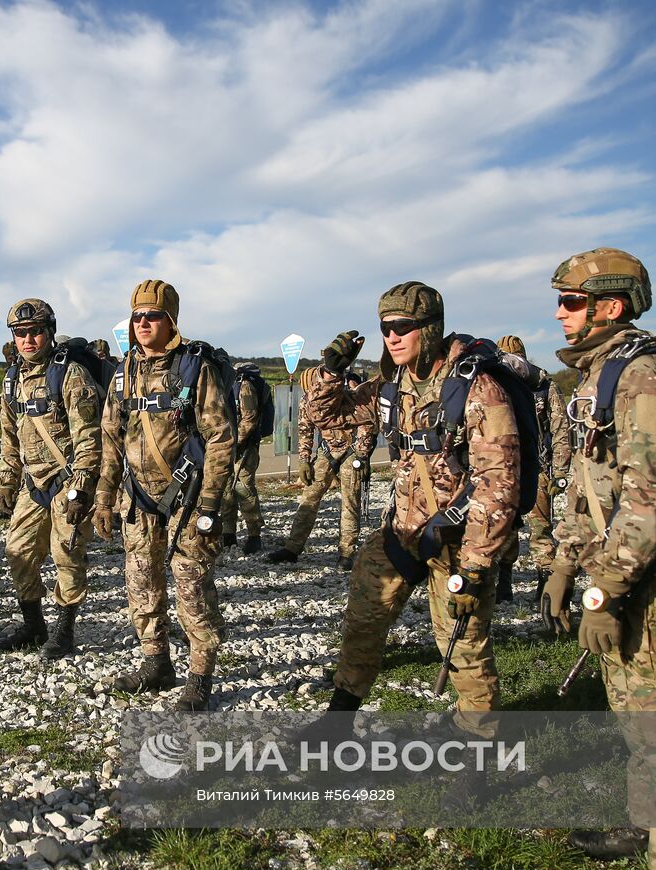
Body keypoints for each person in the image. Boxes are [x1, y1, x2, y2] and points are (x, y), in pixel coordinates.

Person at [542, 247, 656, 870]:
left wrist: (606, 586)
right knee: (636, 716)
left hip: (655, 583)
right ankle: (646, 825)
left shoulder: (644, 377)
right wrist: (562, 562)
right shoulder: (601, 377)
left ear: (609, 306)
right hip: (618, 573)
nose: (560, 311)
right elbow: (589, 488)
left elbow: (653, 492)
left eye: (572, 300)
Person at [321, 284, 519, 750]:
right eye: (385, 328)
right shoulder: (393, 385)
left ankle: (477, 748)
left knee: (464, 647)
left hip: (457, 538)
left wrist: (476, 562)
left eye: (401, 327)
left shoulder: (476, 388)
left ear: (429, 329)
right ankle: (337, 720)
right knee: (363, 622)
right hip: (401, 531)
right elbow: (325, 417)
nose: (391, 336)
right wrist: (332, 371)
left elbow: (499, 482)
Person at [93, 280, 234, 711]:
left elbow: (220, 439)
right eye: (136, 316)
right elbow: (110, 439)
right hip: (138, 500)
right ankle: (156, 661)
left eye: (152, 315)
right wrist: (103, 497)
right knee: (142, 585)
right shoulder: (124, 373)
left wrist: (210, 503)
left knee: (191, 588)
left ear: (170, 319)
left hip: (188, 499)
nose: (142, 323)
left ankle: (200, 674)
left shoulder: (193, 368)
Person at [0, 299, 103, 657]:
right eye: (21, 333)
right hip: (32, 484)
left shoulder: (70, 375)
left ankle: (65, 630)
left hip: (66, 482)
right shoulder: (11, 381)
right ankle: (33, 624)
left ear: (49, 333)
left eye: (35, 332)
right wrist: (7, 481)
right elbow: (8, 438)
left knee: (67, 555)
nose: (28, 340)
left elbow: (89, 435)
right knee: (18, 551)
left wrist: (82, 487)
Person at [267, 360, 375, 570]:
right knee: (309, 497)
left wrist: (361, 456)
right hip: (326, 452)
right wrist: (304, 460)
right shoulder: (307, 400)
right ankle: (292, 548)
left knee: (350, 503)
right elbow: (305, 430)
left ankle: (346, 553)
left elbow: (366, 424)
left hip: (352, 452)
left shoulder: (348, 396)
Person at [493, 335, 570, 603]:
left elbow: (560, 430)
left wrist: (558, 471)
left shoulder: (544, 387)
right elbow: (562, 431)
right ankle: (509, 585)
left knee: (533, 528)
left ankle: (542, 584)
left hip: (530, 467)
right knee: (514, 527)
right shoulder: (505, 384)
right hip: (516, 469)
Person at [221, 363, 266, 554]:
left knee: (245, 490)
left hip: (243, 448)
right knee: (226, 491)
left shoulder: (244, 385)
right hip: (227, 447)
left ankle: (254, 535)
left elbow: (250, 417)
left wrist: (235, 442)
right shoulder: (226, 384)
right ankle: (228, 534)